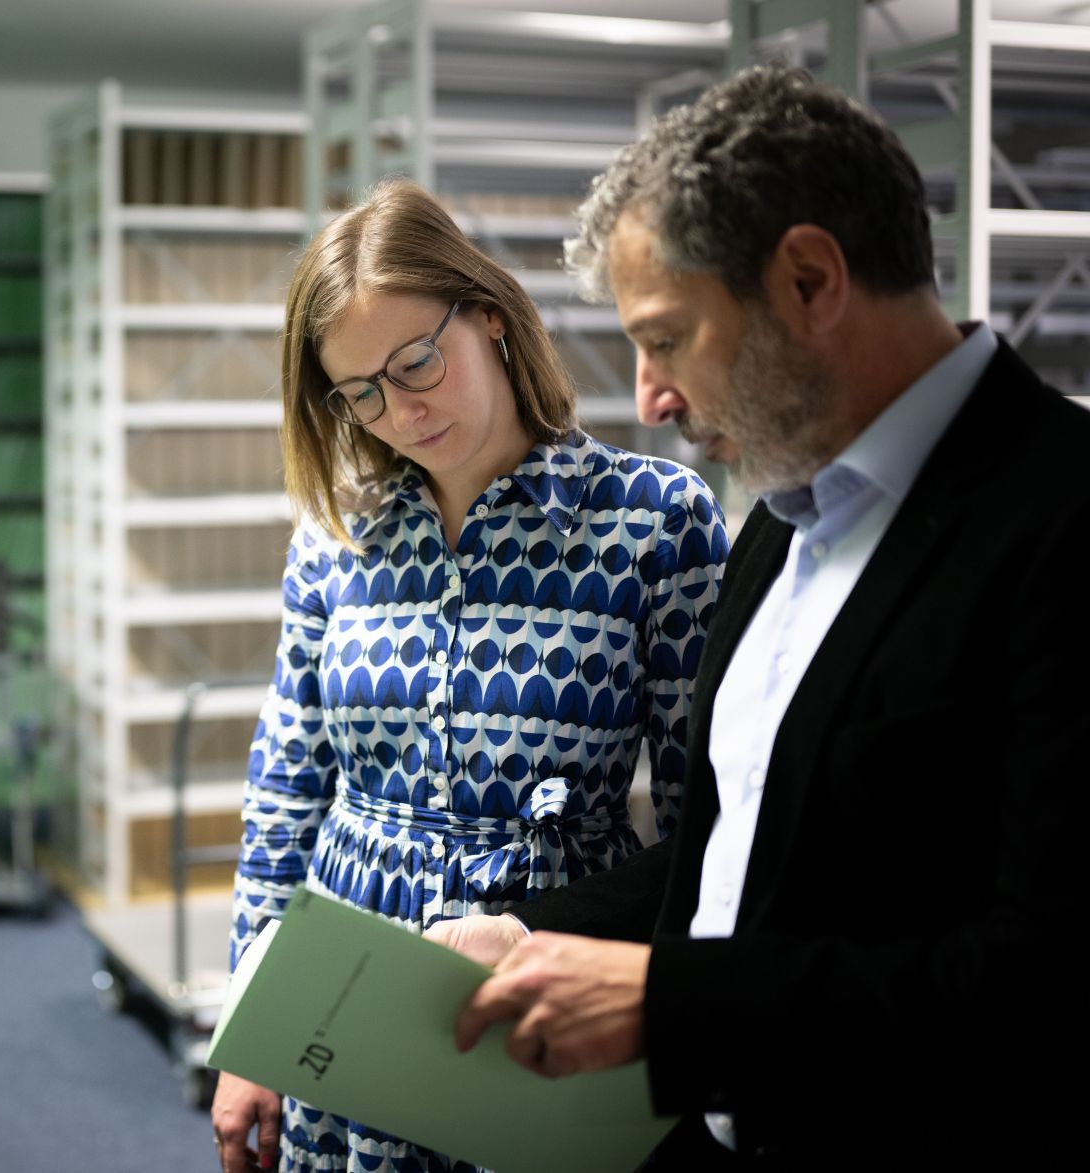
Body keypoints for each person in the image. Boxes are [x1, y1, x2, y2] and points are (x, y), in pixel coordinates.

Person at [440, 62, 1089, 1169]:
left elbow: (1044, 982)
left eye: (663, 337)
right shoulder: (779, 523)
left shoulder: (1060, 520)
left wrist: (668, 1007)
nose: (647, 397)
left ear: (806, 280)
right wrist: (543, 932)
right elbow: (734, 854)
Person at [211, 178, 730, 1173]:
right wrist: (250, 1024)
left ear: (487, 315)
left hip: (543, 970)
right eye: (357, 394)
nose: (398, 413)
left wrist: (679, 1032)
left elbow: (700, 827)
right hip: (345, 985)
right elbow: (283, 797)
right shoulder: (336, 539)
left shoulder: (652, 520)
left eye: (416, 363)